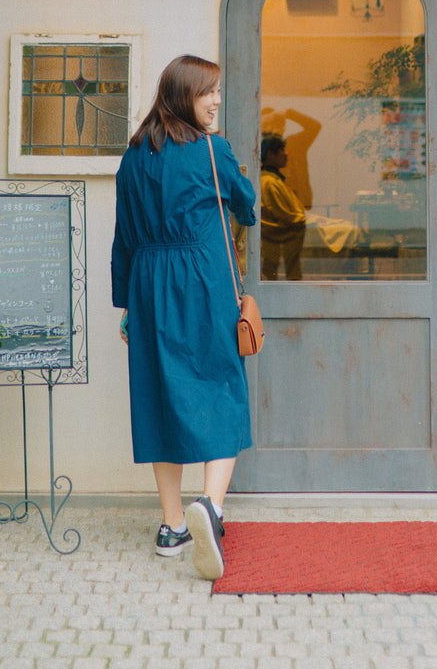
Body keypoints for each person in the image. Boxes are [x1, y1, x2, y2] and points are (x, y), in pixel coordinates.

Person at [111, 54, 256, 581]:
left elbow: (123, 235)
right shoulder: (212, 152)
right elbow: (248, 203)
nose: (216, 101)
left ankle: (172, 525)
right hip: (201, 282)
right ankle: (211, 510)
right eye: (207, 93)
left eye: (217, 91)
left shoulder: (133, 157)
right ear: (182, 96)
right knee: (221, 386)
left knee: (158, 395)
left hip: (148, 285)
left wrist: (126, 305)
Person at [260, 132, 307, 280]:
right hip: (278, 236)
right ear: (270, 154)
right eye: (282, 150)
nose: (286, 154)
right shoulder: (269, 182)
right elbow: (284, 214)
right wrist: (300, 219)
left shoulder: (272, 180)